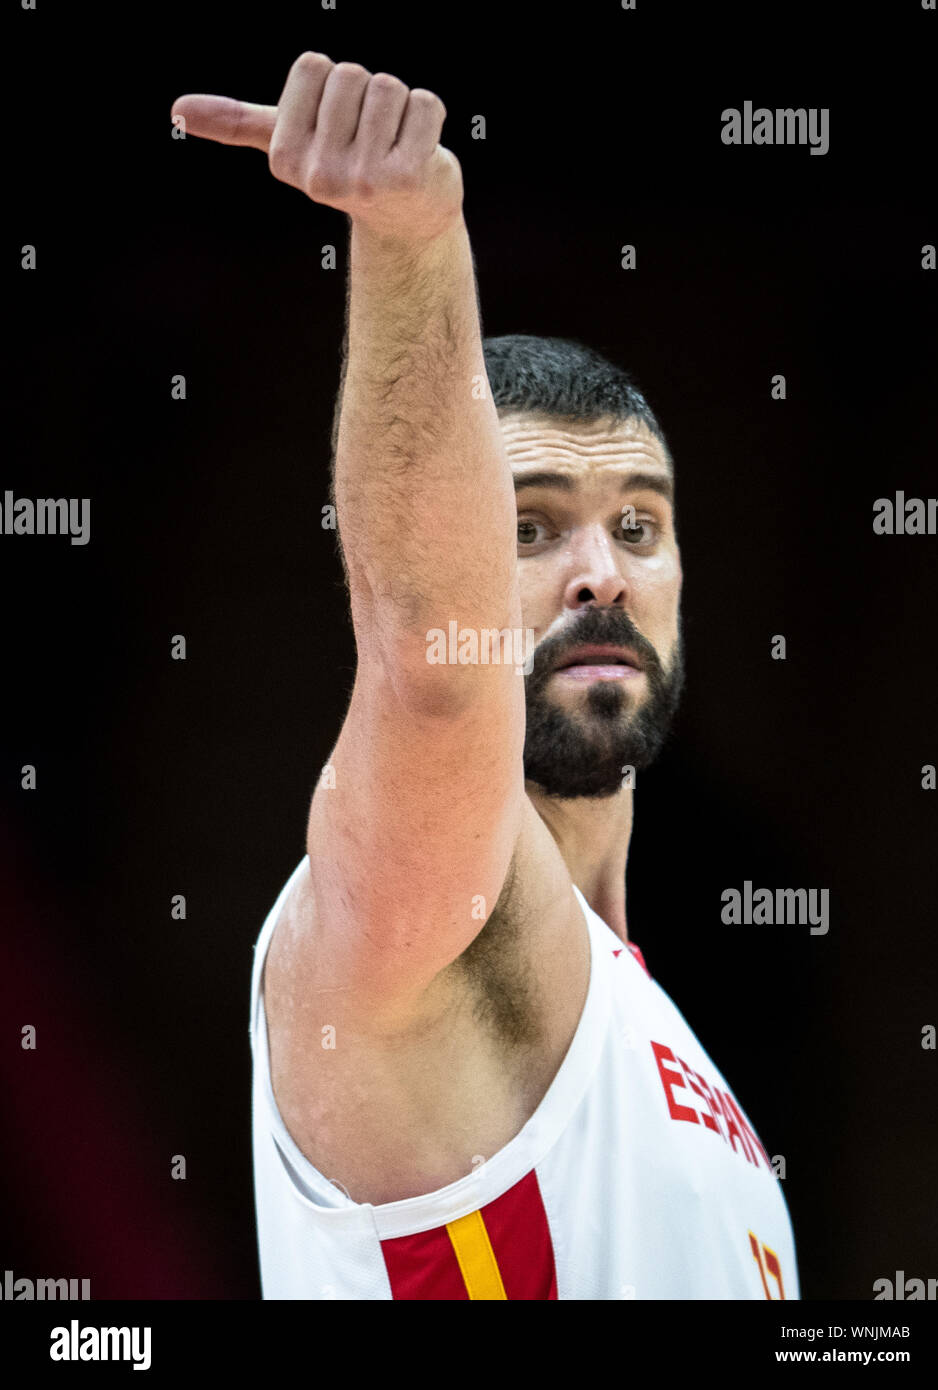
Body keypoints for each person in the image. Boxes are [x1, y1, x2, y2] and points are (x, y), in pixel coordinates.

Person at [172, 52, 800, 1300]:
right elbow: (428, 670)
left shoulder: (674, 1052)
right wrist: (412, 240)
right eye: (529, 526)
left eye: (638, 527)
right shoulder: (409, 923)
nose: (601, 576)